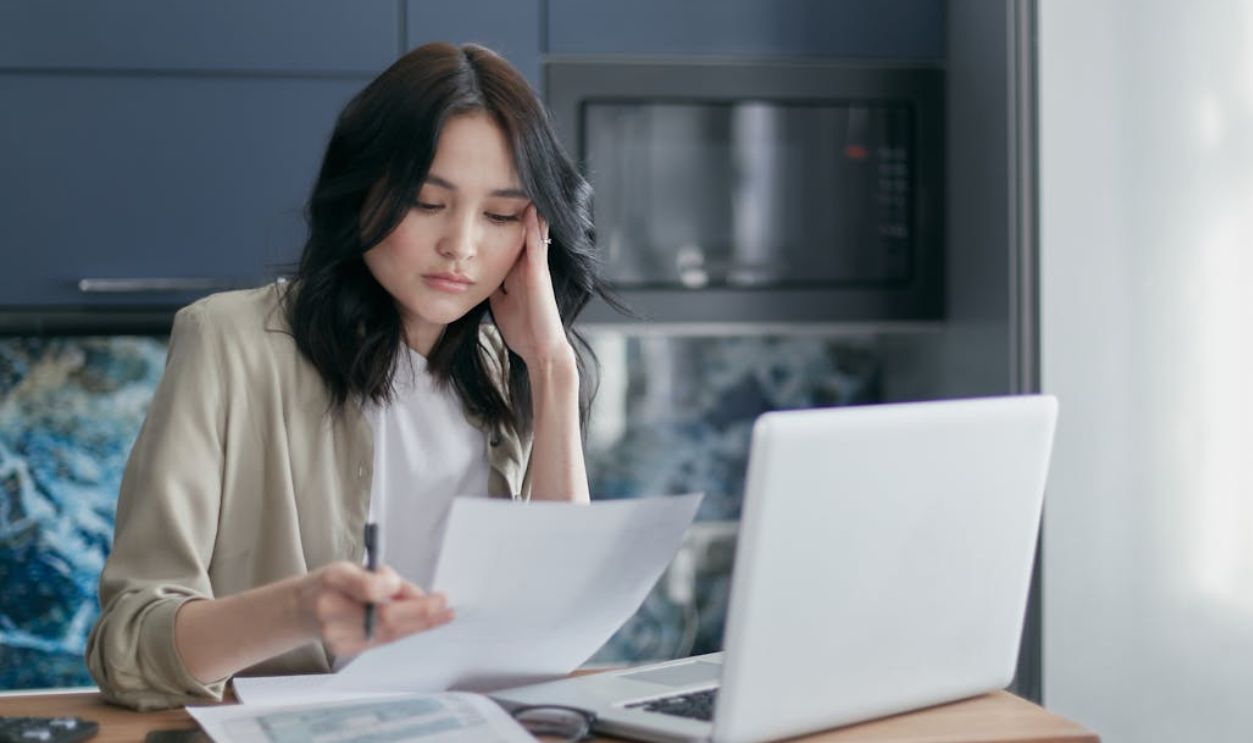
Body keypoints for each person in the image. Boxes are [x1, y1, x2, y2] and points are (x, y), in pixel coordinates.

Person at [85, 42, 614, 711]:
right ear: (362, 190)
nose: (461, 246)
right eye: (428, 202)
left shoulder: (512, 369)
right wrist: (301, 607)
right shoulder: (228, 342)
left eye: (501, 215)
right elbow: (130, 649)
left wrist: (553, 368)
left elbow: (558, 630)